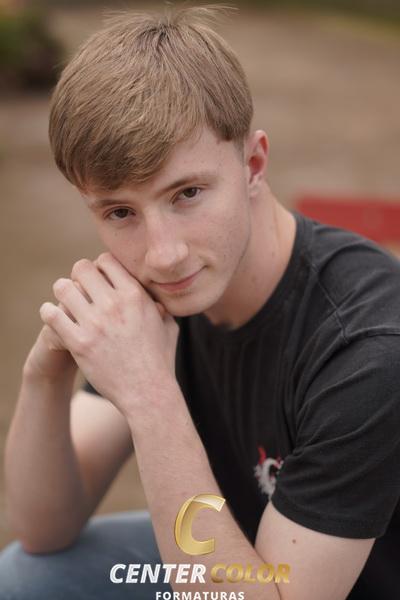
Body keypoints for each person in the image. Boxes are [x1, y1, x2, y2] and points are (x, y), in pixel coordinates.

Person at [1, 5, 399, 599]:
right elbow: (43, 528)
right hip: (236, 556)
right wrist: (47, 372)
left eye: (186, 193)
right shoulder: (164, 291)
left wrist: (150, 396)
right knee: (30, 579)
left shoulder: (366, 349)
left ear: (253, 165)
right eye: (121, 212)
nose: (162, 254)